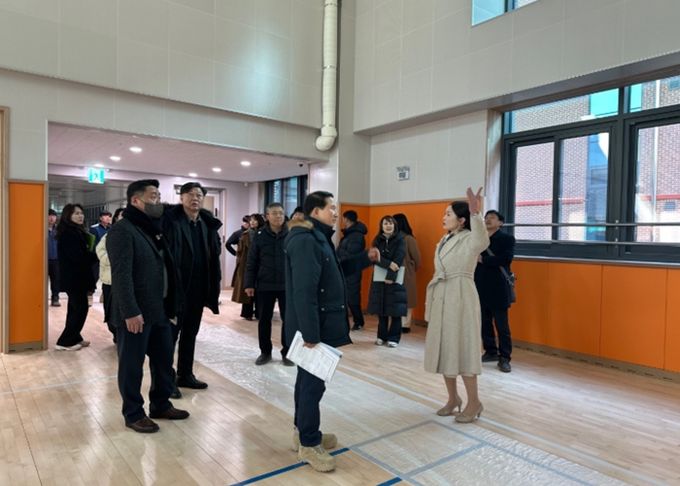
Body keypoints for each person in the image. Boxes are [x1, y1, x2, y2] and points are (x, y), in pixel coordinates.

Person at [284, 191, 379, 472]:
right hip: (316, 327)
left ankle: (303, 432)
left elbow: (333, 271)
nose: (336, 213)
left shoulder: (318, 237)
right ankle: (309, 444)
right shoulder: (305, 240)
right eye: (331, 208)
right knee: (313, 385)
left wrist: (364, 259)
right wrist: (311, 334)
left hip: (319, 324)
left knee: (308, 382)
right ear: (315, 212)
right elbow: (304, 291)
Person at [107, 179, 189, 433]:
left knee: (163, 361)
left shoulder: (154, 228)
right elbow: (121, 276)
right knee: (132, 366)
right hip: (136, 313)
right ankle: (133, 413)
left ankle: (161, 405)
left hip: (160, 310)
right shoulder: (122, 230)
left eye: (159, 196)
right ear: (136, 200)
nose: (158, 201)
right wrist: (130, 311)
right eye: (153, 196)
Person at [424, 187, 489, 423]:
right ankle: (453, 399)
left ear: (462, 220)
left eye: (448, 214)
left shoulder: (470, 238)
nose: (444, 217)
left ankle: (474, 402)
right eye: (444, 213)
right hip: (442, 295)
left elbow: (482, 240)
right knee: (446, 349)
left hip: (461, 297)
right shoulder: (444, 240)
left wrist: (475, 213)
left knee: (463, 349)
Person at [163, 182, 223, 392]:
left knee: (190, 334)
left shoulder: (207, 224)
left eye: (199, 195)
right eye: (190, 194)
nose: (195, 198)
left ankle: (185, 375)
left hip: (198, 289)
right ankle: (165, 381)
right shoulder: (170, 221)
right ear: (181, 198)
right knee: (169, 338)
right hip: (175, 290)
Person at [245, 203, 291, 366]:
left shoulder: (291, 234)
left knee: (289, 320)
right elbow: (252, 261)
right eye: (274, 213)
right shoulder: (259, 235)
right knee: (264, 319)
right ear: (267, 216)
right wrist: (249, 284)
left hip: (287, 285)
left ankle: (287, 352)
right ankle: (265, 352)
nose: (278, 216)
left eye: (281, 213)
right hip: (265, 284)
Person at [475, 210, 516, 373]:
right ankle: (490, 351)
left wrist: (483, 259)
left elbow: (506, 259)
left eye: (492, 218)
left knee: (502, 325)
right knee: (484, 323)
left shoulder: (507, 239)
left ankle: (505, 357)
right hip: (480, 285)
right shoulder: (480, 238)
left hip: (499, 287)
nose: (487, 220)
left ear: (500, 223)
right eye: (486, 217)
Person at [55, 203, 98, 351]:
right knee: (80, 309)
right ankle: (65, 341)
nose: (80, 216)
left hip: (77, 278)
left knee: (75, 309)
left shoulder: (76, 231)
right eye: (76, 213)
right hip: (74, 279)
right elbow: (77, 257)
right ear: (68, 216)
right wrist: (94, 255)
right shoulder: (68, 233)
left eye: (81, 213)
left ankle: (75, 337)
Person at [368, 215, 407, 347]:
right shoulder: (377, 240)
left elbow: (399, 259)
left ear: (395, 225)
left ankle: (394, 338)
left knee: (395, 311)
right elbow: (374, 257)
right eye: (385, 223)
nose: (388, 226)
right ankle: (381, 336)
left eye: (390, 223)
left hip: (395, 279)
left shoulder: (400, 239)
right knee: (381, 309)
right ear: (381, 226)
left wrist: (390, 276)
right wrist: (388, 264)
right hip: (379, 279)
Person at [96, 207, 124, 343]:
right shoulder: (110, 234)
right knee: (110, 308)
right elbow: (100, 250)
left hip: (127, 280)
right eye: (121, 216)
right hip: (110, 279)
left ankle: (122, 334)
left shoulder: (136, 233)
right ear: (116, 218)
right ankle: (115, 332)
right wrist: (112, 260)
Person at [337, 210, 368, 331]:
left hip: (352, 271)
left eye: (343, 218)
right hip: (345, 269)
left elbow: (352, 254)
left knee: (353, 298)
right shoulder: (349, 234)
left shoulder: (357, 236)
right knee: (346, 297)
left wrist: (339, 256)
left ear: (346, 219)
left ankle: (358, 321)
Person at [231, 213, 264, 320]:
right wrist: (238, 258)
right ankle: (247, 313)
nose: (252, 222)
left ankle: (260, 313)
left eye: (255, 220)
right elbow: (239, 251)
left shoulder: (264, 234)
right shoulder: (245, 234)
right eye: (251, 220)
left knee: (260, 290)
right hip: (247, 264)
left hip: (262, 265)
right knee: (247, 289)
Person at [393, 213, 421, 333]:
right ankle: (404, 324)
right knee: (405, 299)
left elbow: (417, 258)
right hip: (403, 272)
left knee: (404, 299)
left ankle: (403, 324)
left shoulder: (406, 239)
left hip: (401, 272)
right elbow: (417, 259)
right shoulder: (408, 239)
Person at [48, 209, 61, 307]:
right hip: (43, 260)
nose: (52, 218)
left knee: (56, 280)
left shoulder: (59, 230)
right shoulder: (40, 228)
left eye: (54, 216)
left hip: (56, 259)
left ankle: (55, 298)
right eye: (50, 216)